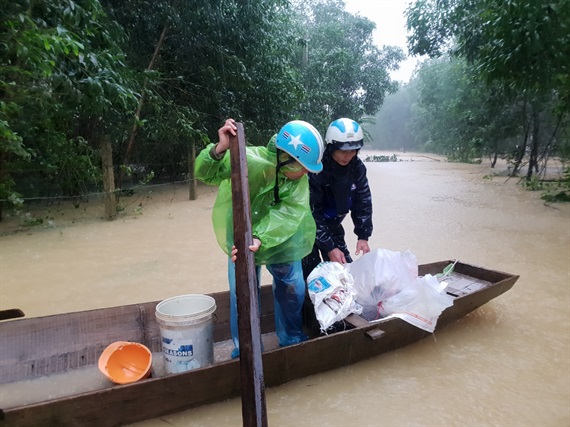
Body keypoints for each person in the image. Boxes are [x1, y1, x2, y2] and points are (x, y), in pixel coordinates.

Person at [195, 118, 325, 359]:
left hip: (282, 237)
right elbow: (204, 174)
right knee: (241, 291)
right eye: (304, 167)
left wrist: (259, 236)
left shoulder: (299, 180)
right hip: (241, 238)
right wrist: (219, 149)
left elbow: (289, 213)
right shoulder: (247, 159)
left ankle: (291, 338)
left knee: (292, 288)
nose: (307, 172)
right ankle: (245, 345)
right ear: (286, 157)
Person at [302, 117, 373, 279]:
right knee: (311, 277)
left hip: (333, 226)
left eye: (353, 150)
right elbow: (313, 211)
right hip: (307, 230)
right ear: (332, 147)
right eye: (343, 151)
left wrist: (363, 235)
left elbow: (363, 201)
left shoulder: (357, 168)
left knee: (345, 273)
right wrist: (329, 247)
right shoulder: (317, 168)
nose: (348, 156)